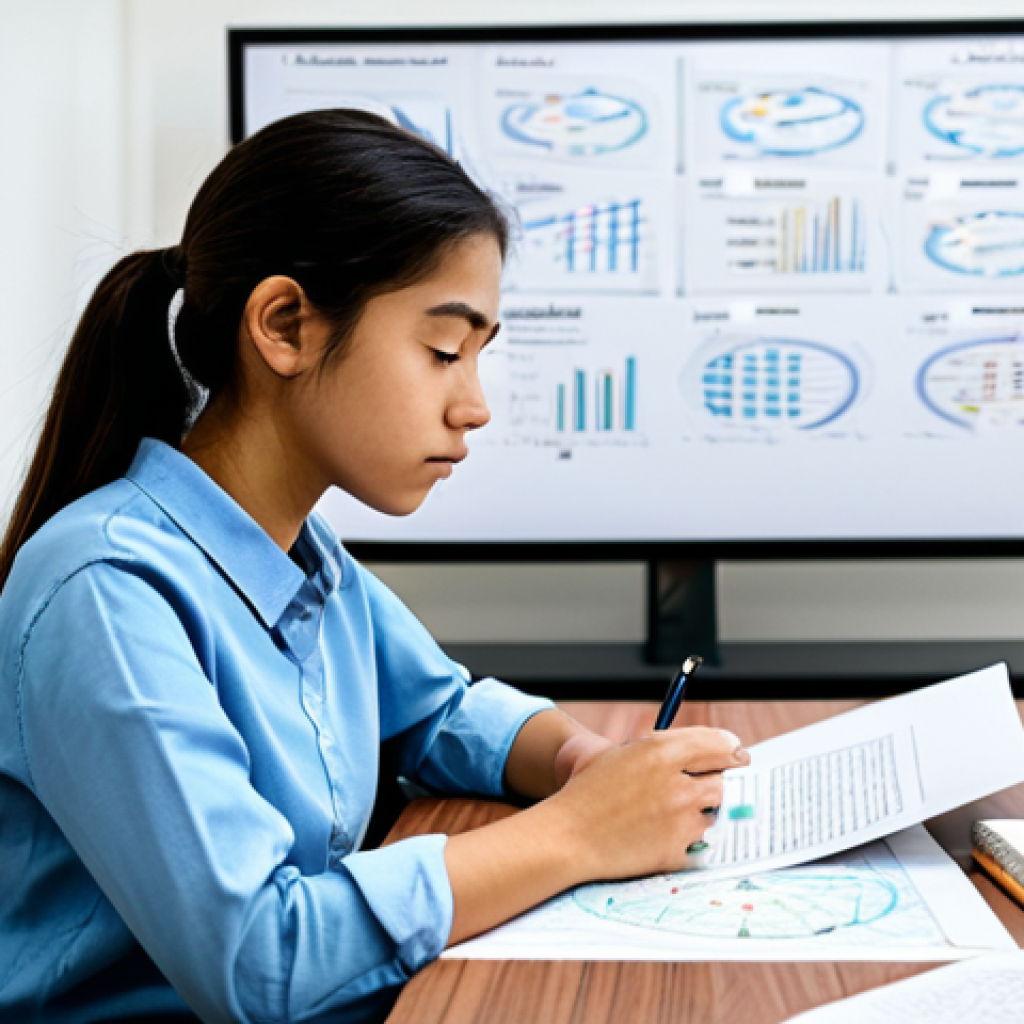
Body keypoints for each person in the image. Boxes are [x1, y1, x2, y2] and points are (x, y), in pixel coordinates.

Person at [0, 110, 749, 1023]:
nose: (472, 406)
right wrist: (579, 832)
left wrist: (581, 760)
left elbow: (439, 712)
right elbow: (259, 959)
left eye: (478, 357)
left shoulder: (306, 560)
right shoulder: (106, 593)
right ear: (285, 325)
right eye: (442, 351)